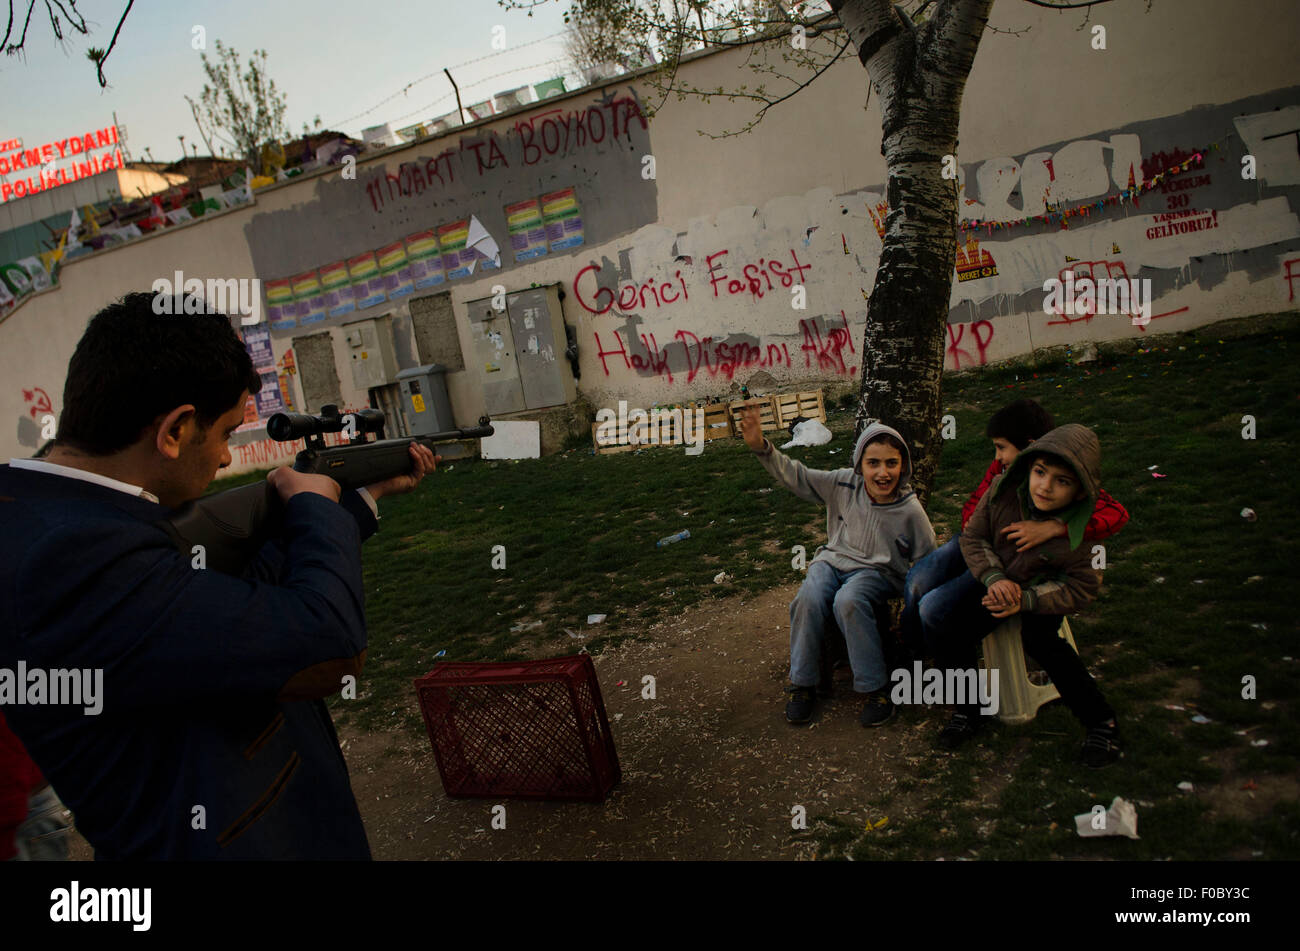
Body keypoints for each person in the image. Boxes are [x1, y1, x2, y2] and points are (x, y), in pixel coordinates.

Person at [0, 290, 437, 859]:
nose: (228, 459)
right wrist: (314, 508)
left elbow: (218, 608)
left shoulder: (39, 509)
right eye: (228, 433)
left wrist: (357, 498)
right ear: (176, 430)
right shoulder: (76, 558)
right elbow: (327, 641)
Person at [923, 423, 1121, 767]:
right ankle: (969, 710)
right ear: (1029, 467)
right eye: (1040, 472)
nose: (1044, 486)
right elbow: (973, 537)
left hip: (1040, 595)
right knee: (949, 626)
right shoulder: (1003, 491)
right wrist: (996, 578)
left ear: (1078, 492)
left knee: (1041, 641)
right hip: (997, 582)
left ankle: (1102, 723)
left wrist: (1027, 599)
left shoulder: (1082, 529)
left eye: (1062, 480)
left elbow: (1081, 587)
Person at [740, 406, 936, 727]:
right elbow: (798, 475)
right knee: (809, 597)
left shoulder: (909, 509)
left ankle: (876, 689)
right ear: (859, 465)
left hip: (877, 573)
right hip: (832, 561)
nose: (882, 472)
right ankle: (803, 684)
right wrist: (764, 448)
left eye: (891, 463)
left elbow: (930, 558)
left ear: (904, 466)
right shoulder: (842, 484)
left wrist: (918, 604)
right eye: (873, 463)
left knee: (849, 601)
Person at [901, 398, 1128, 658]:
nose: (997, 456)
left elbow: (1117, 514)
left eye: (1001, 447)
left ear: (1029, 446)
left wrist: (1056, 527)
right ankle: (913, 644)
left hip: (1007, 561)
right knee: (917, 580)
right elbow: (975, 504)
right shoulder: (1001, 470)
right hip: (980, 541)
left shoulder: (1066, 483)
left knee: (935, 607)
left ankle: (939, 649)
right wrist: (977, 527)